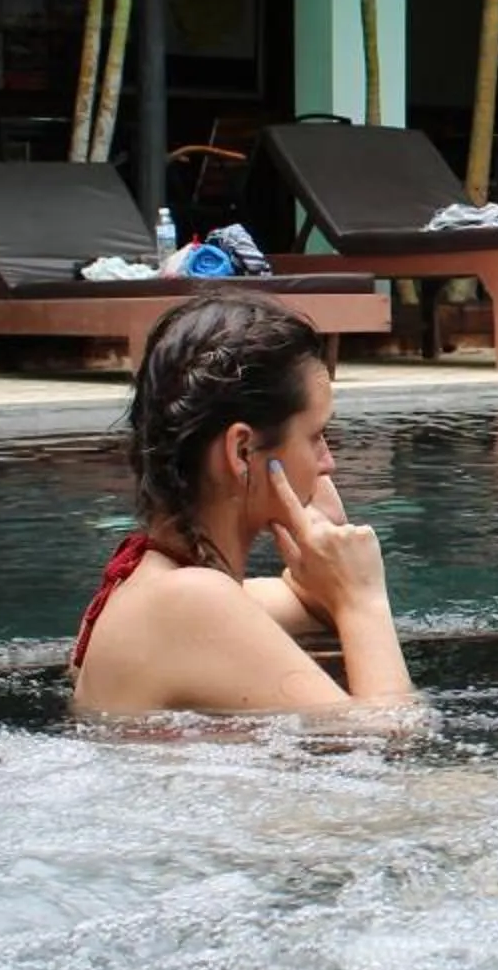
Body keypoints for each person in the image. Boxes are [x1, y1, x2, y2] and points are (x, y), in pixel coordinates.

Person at [72, 294, 415, 717]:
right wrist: (364, 600)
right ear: (242, 451)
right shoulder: (189, 602)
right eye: (315, 436)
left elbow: (310, 601)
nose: (328, 461)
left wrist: (329, 556)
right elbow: (388, 745)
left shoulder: (154, 580)